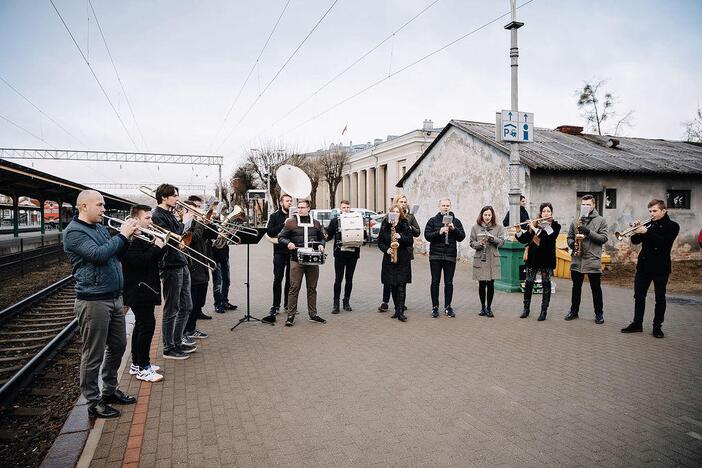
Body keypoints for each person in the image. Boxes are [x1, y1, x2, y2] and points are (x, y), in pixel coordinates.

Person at [64, 190, 138, 419]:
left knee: (118, 346)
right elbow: (98, 255)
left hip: (114, 297)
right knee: (93, 353)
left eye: (104, 205)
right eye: (100, 205)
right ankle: (93, 401)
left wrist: (128, 239)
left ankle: (109, 390)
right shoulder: (74, 233)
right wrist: (122, 236)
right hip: (93, 300)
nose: (104, 209)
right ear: (83, 206)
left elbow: (115, 254)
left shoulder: (99, 228)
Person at [621, 199, 680, 338]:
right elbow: (635, 242)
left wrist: (646, 232)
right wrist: (636, 230)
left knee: (660, 298)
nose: (652, 214)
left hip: (661, 267)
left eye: (654, 211)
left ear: (664, 210)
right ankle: (637, 323)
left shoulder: (672, 226)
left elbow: (664, 243)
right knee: (639, 296)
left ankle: (657, 327)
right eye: (650, 211)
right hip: (644, 266)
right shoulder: (648, 225)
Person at [122, 204, 165, 383]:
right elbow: (140, 262)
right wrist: (157, 247)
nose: (151, 220)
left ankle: (136, 363)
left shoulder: (141, 237)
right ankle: (143, 368)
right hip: (139, 290)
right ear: (136, 219)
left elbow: (151, 258)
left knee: (141, 325)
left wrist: (160, 246)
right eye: (147, 218)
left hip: (144, 288)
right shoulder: (131, 239)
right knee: (146, 326)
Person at [151, 184, 194, 360]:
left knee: (187, 306)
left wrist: (184, 222)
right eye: (174, 195)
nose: (177, 198)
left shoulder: (169, 213)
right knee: (172, 308)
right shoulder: (158, 215)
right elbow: (172, 237)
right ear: (164, 197)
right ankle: (169, 347)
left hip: (180, 262)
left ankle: (177, 340)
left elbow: (181, 238)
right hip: (170, 265)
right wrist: (185, 221)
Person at [278, 199, 326, 327]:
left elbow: (322, 238)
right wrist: (288, 243)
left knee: (312, 288)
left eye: (303, 207)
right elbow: (280, 237)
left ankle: (313, 314)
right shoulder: (291, 223)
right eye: (298, 207)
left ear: (308, 208)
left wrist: (321, 245)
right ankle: (291, 315)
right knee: (294, 288)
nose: (300, 209)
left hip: (312, 261)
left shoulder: (316, 223)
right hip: (296, 260)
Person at [565, 194, 609, 324]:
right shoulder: (575, 220)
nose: (585, 207)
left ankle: (599, 314)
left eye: (588, 204)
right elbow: (569, 237)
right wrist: (572, 243)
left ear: (593, 205)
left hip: (592, 259)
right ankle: (574, 311)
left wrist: (588, 232)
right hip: (577, 259)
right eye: (583, 204)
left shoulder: (601, 220)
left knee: (595, 288)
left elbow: (604, 238)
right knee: (576, 287)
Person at [516, 203, 561, 321]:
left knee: (546, 284)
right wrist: (519, 231)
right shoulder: (535, 224)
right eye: (544, 211)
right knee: (529, 282)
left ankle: (543, 311)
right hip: (533, 259)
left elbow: (548, 238)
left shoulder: (555, 226)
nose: (546, 213)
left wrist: (535, 228)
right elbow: (524, 239)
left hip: (546, 259)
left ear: (551, 213)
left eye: (548, 211)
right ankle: (526, 309)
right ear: (540, 213)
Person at [424, 198, 466, 318]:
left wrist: (454, 229)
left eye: (447, 205)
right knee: (435, 282)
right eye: (443, 205)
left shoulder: (456, 221)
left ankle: (448, 306)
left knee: (449, 283)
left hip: (450, 256)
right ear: (439, 206)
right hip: (436, 256)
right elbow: (427, 235)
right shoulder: (433, 220)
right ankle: (435, 306)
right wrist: (439, 232)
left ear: (450, 206)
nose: (445, 207)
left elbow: (462, 237)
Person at [379, 195, 420, 312]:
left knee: (401, 284)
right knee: (391, 284)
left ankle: (400, 310)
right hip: (389, 258)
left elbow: (410, 239)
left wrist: (400, 236)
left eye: (398, 212)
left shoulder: (405, 222)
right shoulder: (386, 224)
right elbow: (380, 241)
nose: (396, 213)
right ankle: (392, 306)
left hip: (403, 257)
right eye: (394, 212)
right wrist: (387, 250)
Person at [184, 196, 217, 341]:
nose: (198, 211)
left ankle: (192, 327)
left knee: (199, 301)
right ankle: (188, 329)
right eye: (195, 209)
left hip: (202, 265)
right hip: (193, 268)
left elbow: (213, 234)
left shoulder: (198, 223)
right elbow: (195, 239)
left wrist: (209, 222)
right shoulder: (186, 225)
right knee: (192, 302)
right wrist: (199, 223)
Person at [469, 206, 505, 317]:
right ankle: (482, 307)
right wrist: (479, 243)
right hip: (480, 257)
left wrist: (492, 238)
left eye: (489, 215)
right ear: (482, 215)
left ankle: (489, 307)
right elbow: (471, 242)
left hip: (492, 258)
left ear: (492, 216)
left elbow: (502, 242)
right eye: (485, 215)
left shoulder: (498, 227)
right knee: (481, 283)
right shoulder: (475, 227)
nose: (487, 217)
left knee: (490, 283)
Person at [325, 200, 360, 313]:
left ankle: (346, 301)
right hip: (340, 254)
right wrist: (324, 235)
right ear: (340, 209)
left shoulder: (356, 220)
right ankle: (336, 304)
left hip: (353, 253)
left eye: (347, 207)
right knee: (338, 279)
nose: (346, 209)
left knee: (349, 279)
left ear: (350, 208)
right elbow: (329, 236)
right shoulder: (335, 221)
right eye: (344, 207)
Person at [262, 194, 293, 324]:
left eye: (291, 201)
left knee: (290, 281)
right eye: (287, 201)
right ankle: (275, 306)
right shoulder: (274, 216)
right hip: (280, 252)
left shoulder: (294, 216)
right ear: (281, 203)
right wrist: (283, 224)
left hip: (292, 251)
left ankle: (287, 304)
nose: (290, 203)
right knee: (278, 279)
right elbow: (269, 232)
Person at [211, 201, 238, 315]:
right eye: (216, 209)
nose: (218, 211)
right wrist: (218, 235)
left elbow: (228, 238)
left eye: (219, 209)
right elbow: (210, 240)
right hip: (214, 255)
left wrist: (231, 233)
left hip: (224, 253)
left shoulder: (223, 219)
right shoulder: (209, 222)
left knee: (227, 280)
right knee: (218, 282)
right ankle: (218, 304)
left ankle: (225, 301)